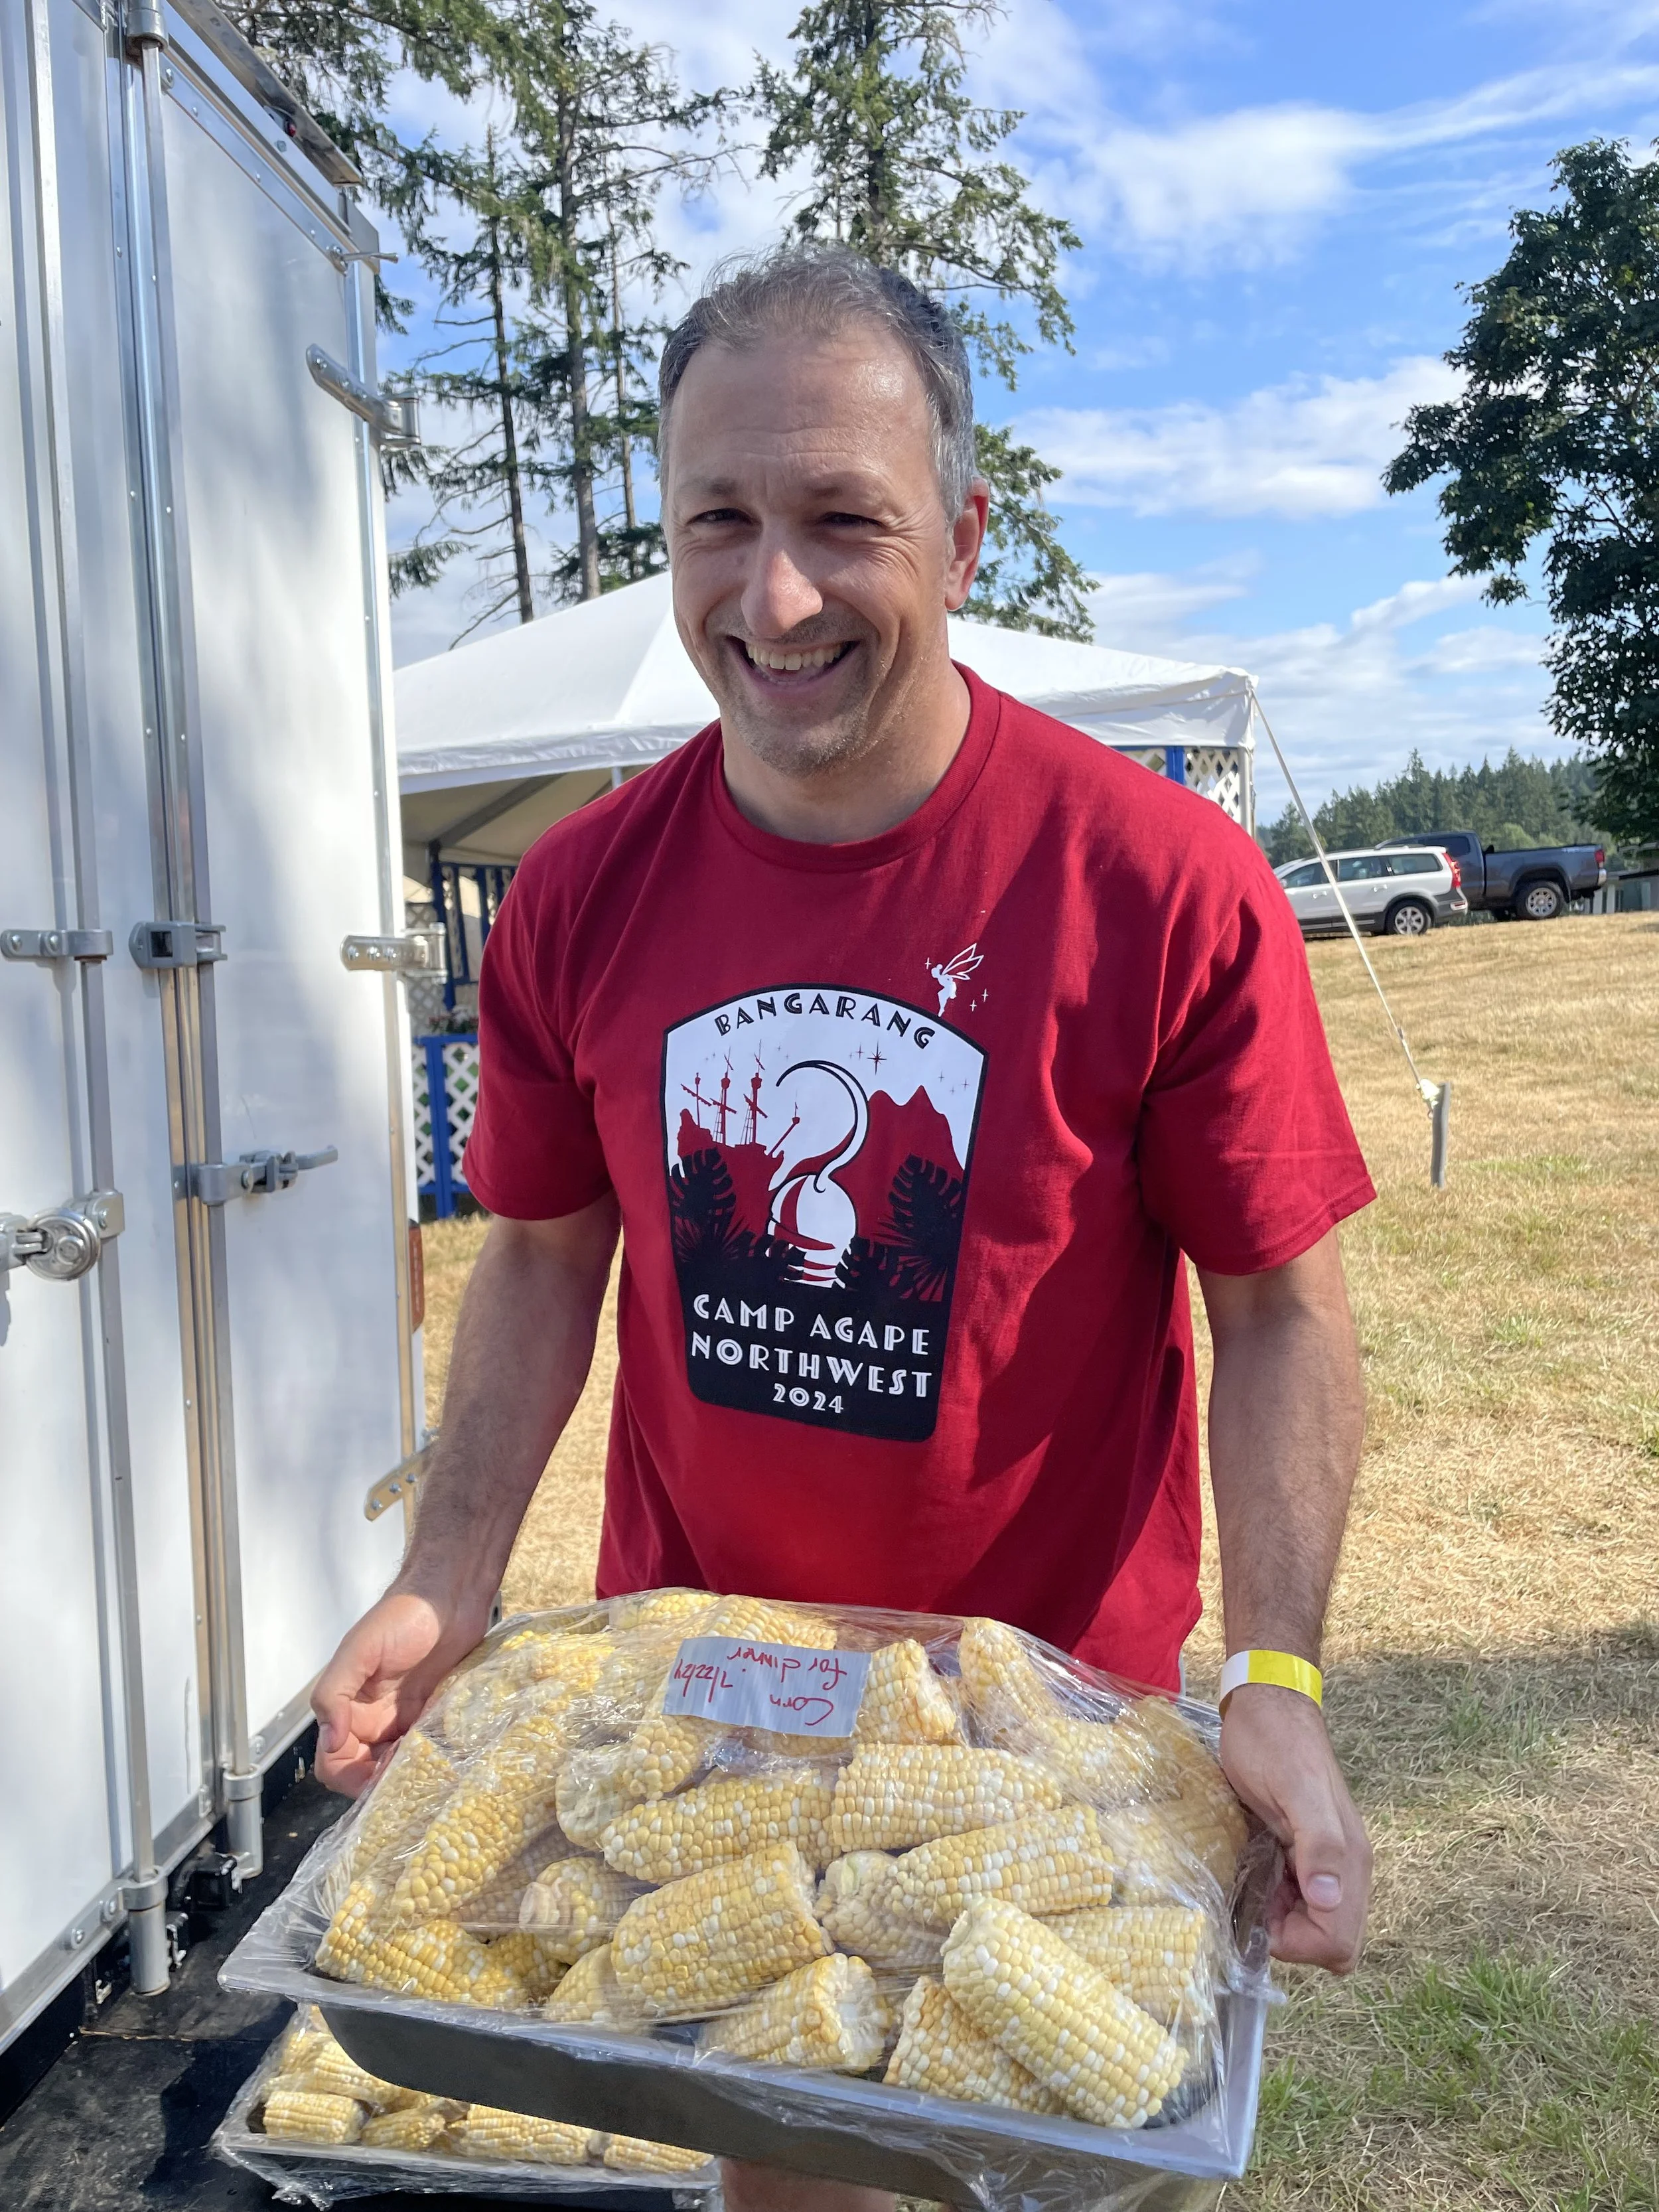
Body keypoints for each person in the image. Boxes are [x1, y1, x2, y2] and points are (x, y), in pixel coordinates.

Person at [314, 244, 1374, 2211]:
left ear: (962, 536)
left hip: (1052, 1744)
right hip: (712, 1713)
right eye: (718, 518)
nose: (772, 593)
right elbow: (545, 1249)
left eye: (843, 521)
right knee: (796, 2185)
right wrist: (450, 1577)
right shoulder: (575, 902)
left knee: (1046, 2176)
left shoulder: (1159, 881)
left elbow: (1282, 1310)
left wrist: (1276, 1681)